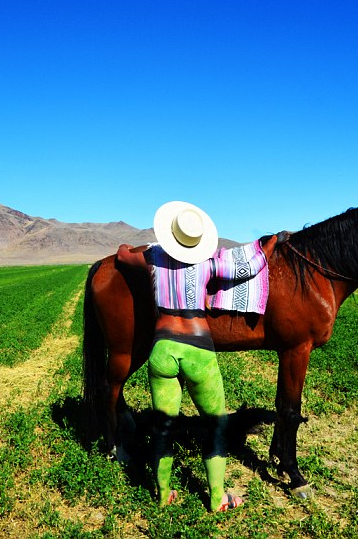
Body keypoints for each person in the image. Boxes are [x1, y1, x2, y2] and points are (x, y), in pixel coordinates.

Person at [117, 201, 275, 512]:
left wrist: (129, 245)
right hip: (198, 350)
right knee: (215, 425)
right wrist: (267, 247)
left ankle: (163, 495)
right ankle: (216, 498)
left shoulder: (153, 258)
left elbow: (123, 254)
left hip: (162, 350)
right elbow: (250, 267)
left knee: (163, 427)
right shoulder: (208, 263)